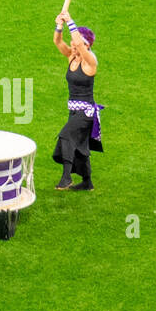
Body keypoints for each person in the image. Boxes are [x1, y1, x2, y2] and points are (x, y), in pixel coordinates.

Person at [52, 14, 103, 191]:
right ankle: (87, 183)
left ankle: (66, 178)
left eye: (79, 44)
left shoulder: (91, 62)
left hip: (86, 113)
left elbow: (80, 44)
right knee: (81, 147)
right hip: (74, 112)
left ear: (87, 46)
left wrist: (70, 21)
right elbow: (58, 42)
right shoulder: (72, 57)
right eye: (74, 44)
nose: (74, 46)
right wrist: (59, 26)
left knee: (66, 136)